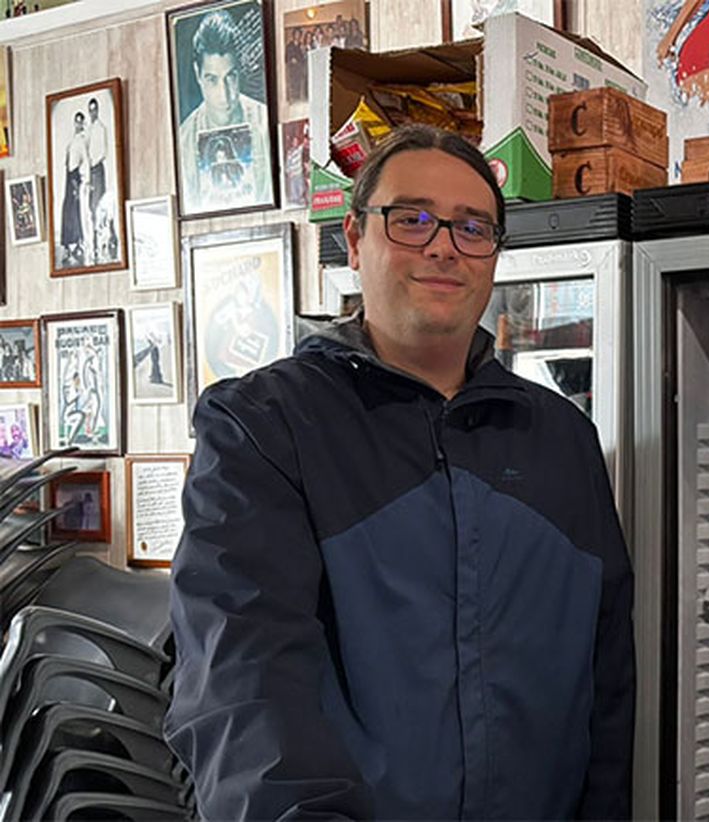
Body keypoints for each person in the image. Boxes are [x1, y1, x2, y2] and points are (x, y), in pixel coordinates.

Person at [165, 124, 635, 820]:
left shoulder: (563, 440)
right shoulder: (263, 427)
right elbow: (240, 687)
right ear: (355, 239)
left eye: (472, 228)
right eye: (411, 219)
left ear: (495, 256)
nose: (444, 246)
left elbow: (606, 686)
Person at [176, 10, 272, 211]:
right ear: (198, 74)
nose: (224, 94)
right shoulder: (183, 141)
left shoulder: (265, 124)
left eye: (230, 77)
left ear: (239, 71)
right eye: (212, 79)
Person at [59, 111, 87, 266]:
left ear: (83, 124)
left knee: (75, 210)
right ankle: (67, 245)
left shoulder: (82, 141)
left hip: (75, 176)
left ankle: (78, 243)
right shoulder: (72, 140)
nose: (78, 125)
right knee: (67, 209)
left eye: (80, 122)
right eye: (76, 122)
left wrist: (80, 179)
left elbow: (85, 161)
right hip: (68, 176)